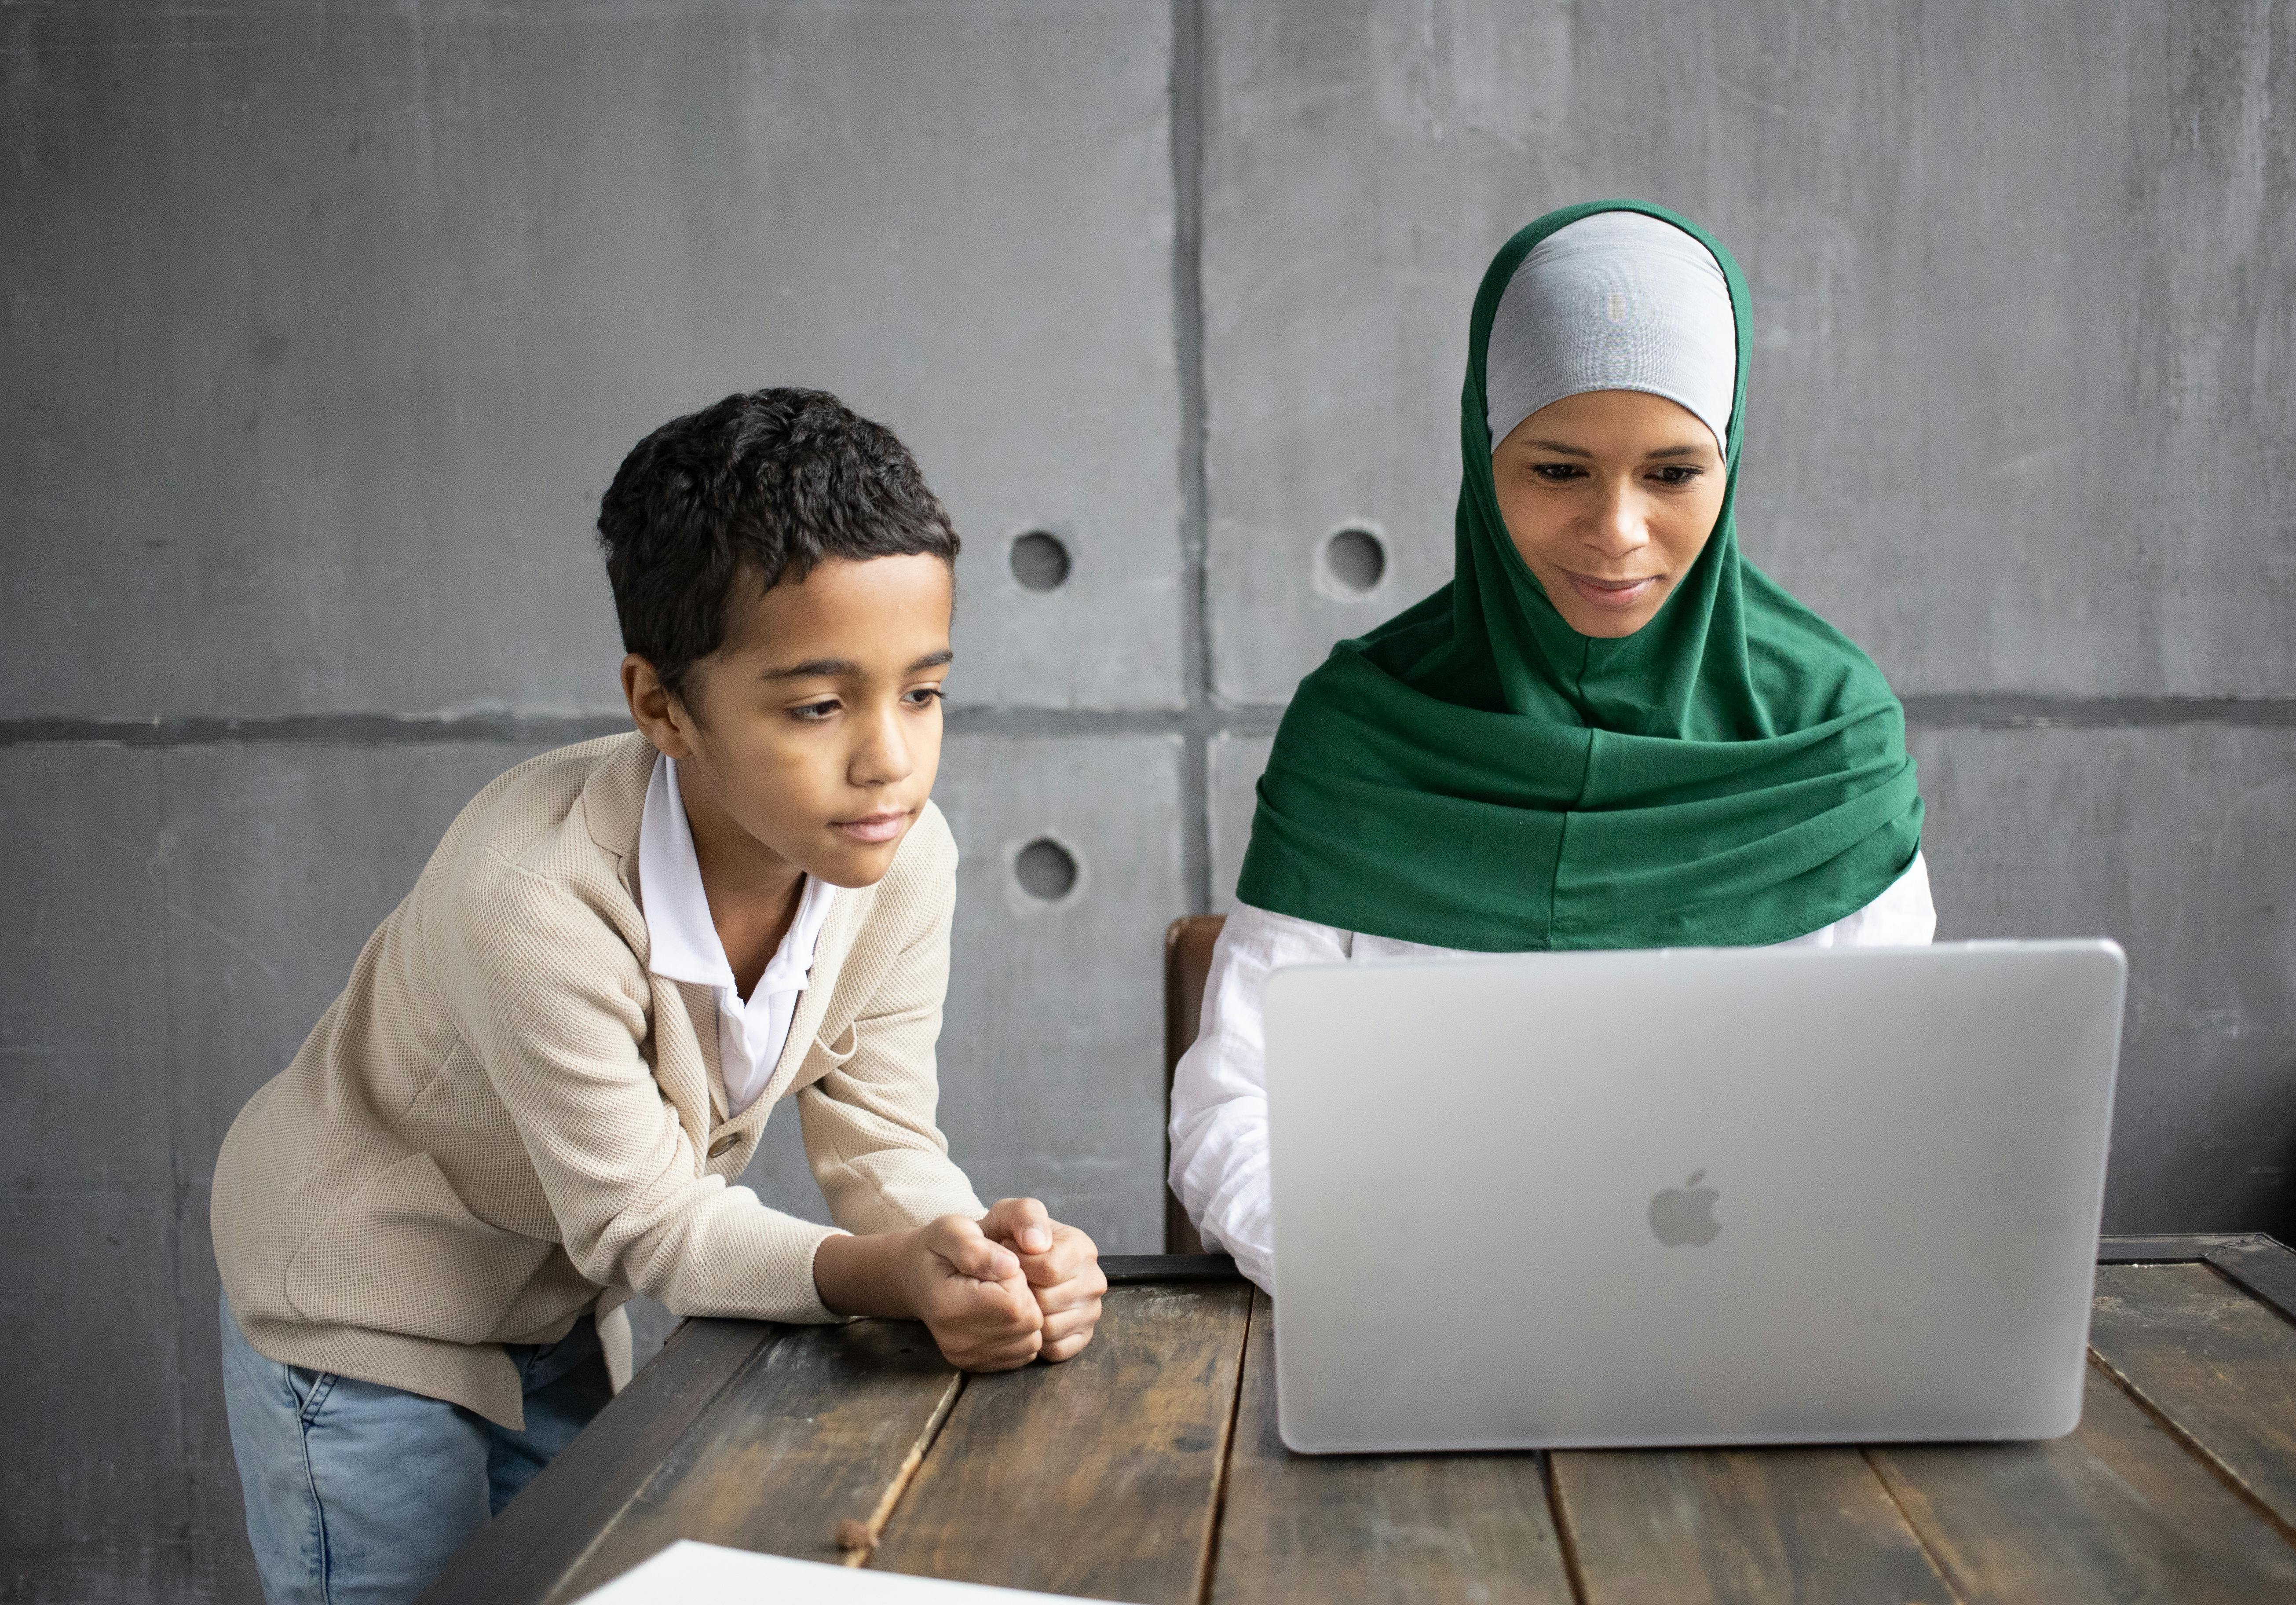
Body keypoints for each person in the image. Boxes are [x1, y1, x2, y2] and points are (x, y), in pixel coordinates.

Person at [212, 388, 1107, 1604]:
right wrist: (892, 1276)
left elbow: (885, 1135)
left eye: (923, 692)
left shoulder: (900, 857)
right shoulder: (532, 896)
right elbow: (650, 1224)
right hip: (360, 1308)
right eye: (818, 705)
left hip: (551, 1299)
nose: (890, 757)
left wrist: (978, 1257)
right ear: (660, 706)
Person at [1170, 203, 1934, 1295]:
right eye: (1560, 471)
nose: (1619, 531)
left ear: (1731, 459)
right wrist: (1391, 1285)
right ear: (1487, 459)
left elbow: (1899, 1113)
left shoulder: (1829, 732)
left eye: (1673, 474)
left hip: (1761, 1332)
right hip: (1415, 1330)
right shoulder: (1365, 727)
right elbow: (1235, 1107)